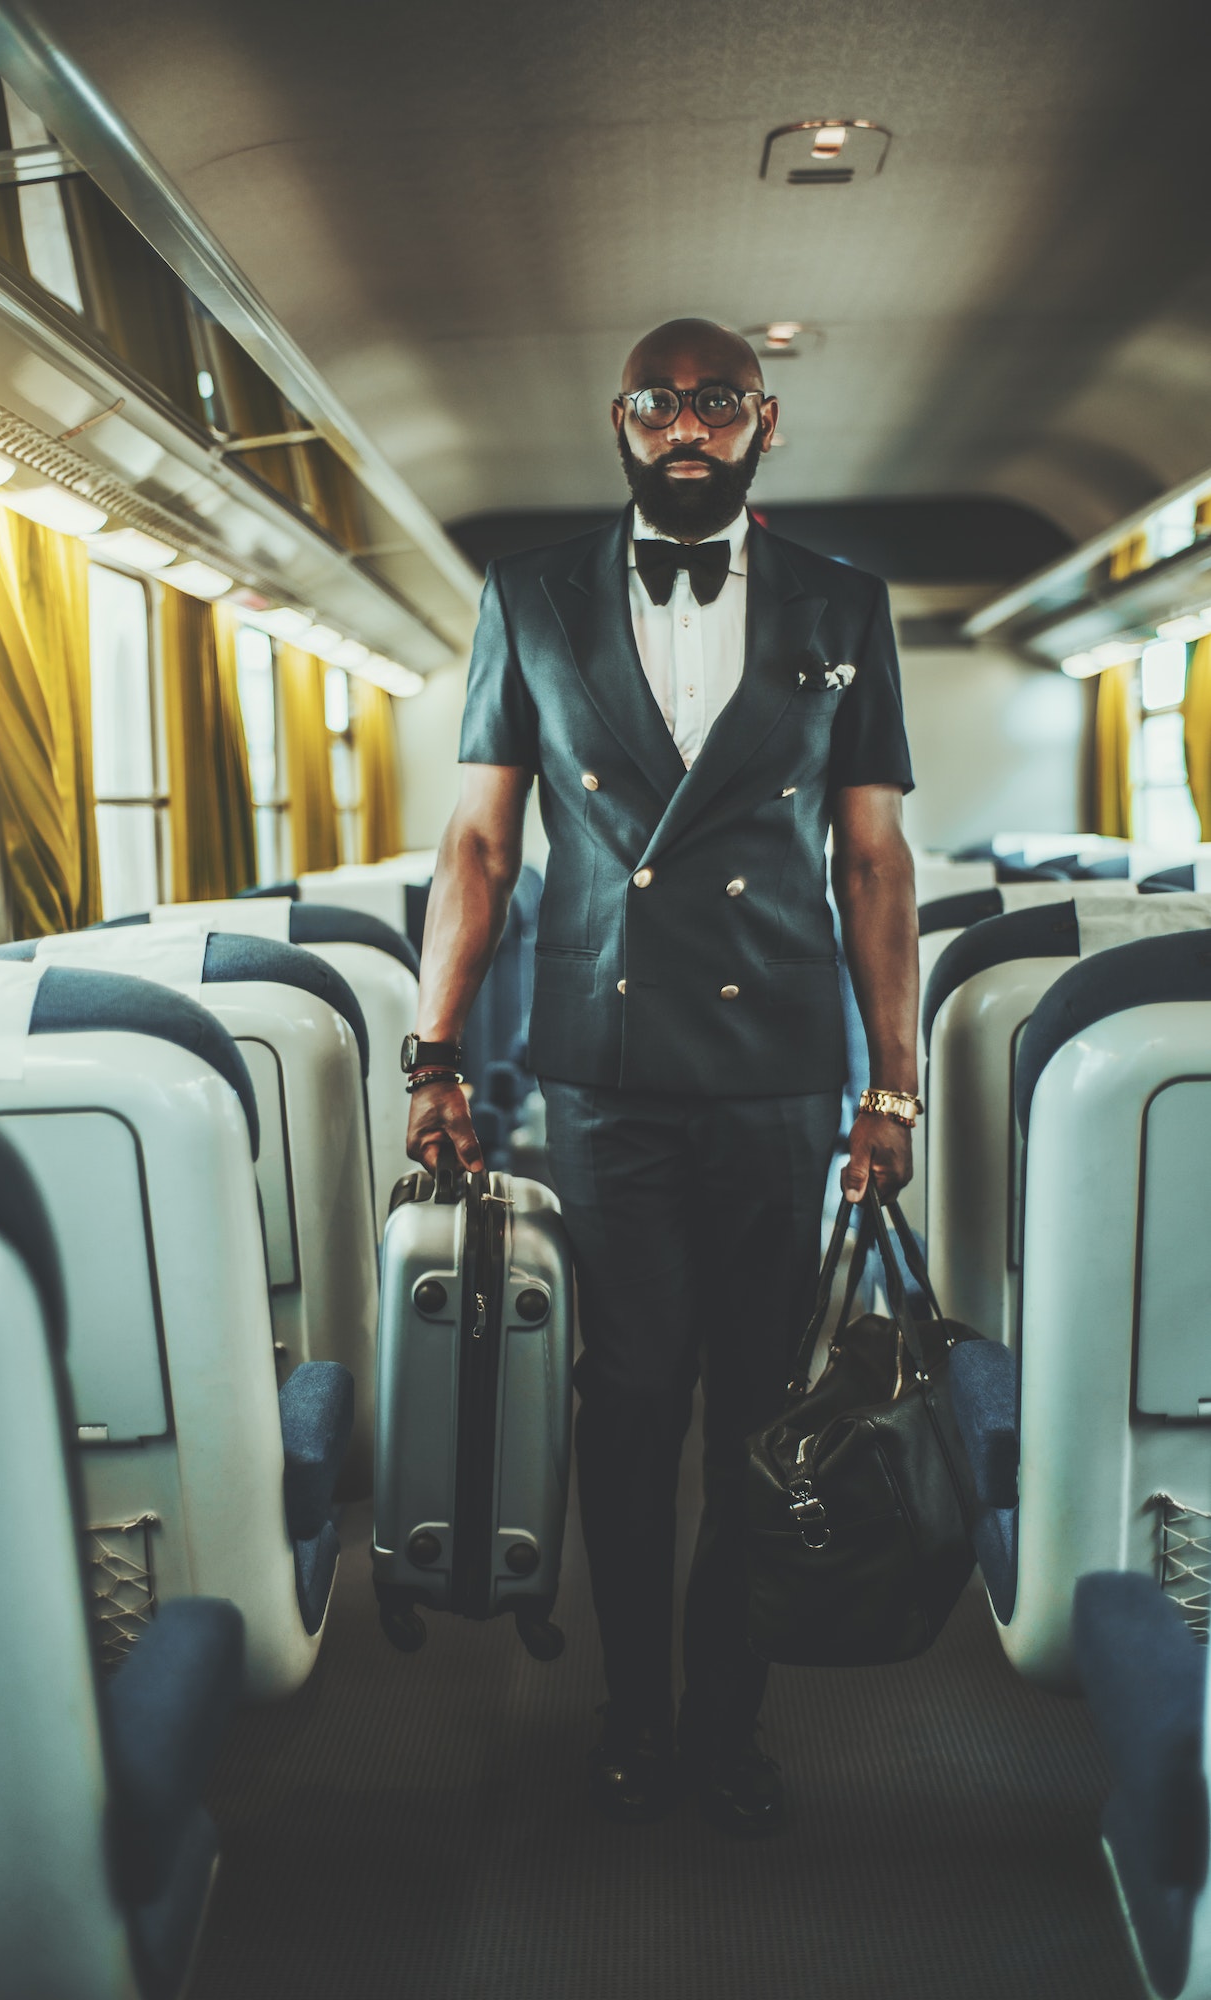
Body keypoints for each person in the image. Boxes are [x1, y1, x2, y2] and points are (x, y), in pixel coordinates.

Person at [403, 316, 918, 1835]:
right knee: (627, 1400)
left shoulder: (843, 601)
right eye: (654, 405)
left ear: (764, 421)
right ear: (618, 423)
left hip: (773, 1063)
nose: (681, 428)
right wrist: (436, 1052)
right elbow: (480, 845)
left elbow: (871, 861)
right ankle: (632, 1714)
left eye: (712, 404)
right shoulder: (531, 597)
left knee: (759, 1408)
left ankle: (726, 1718)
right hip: (606, 1066)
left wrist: (886, 1088)